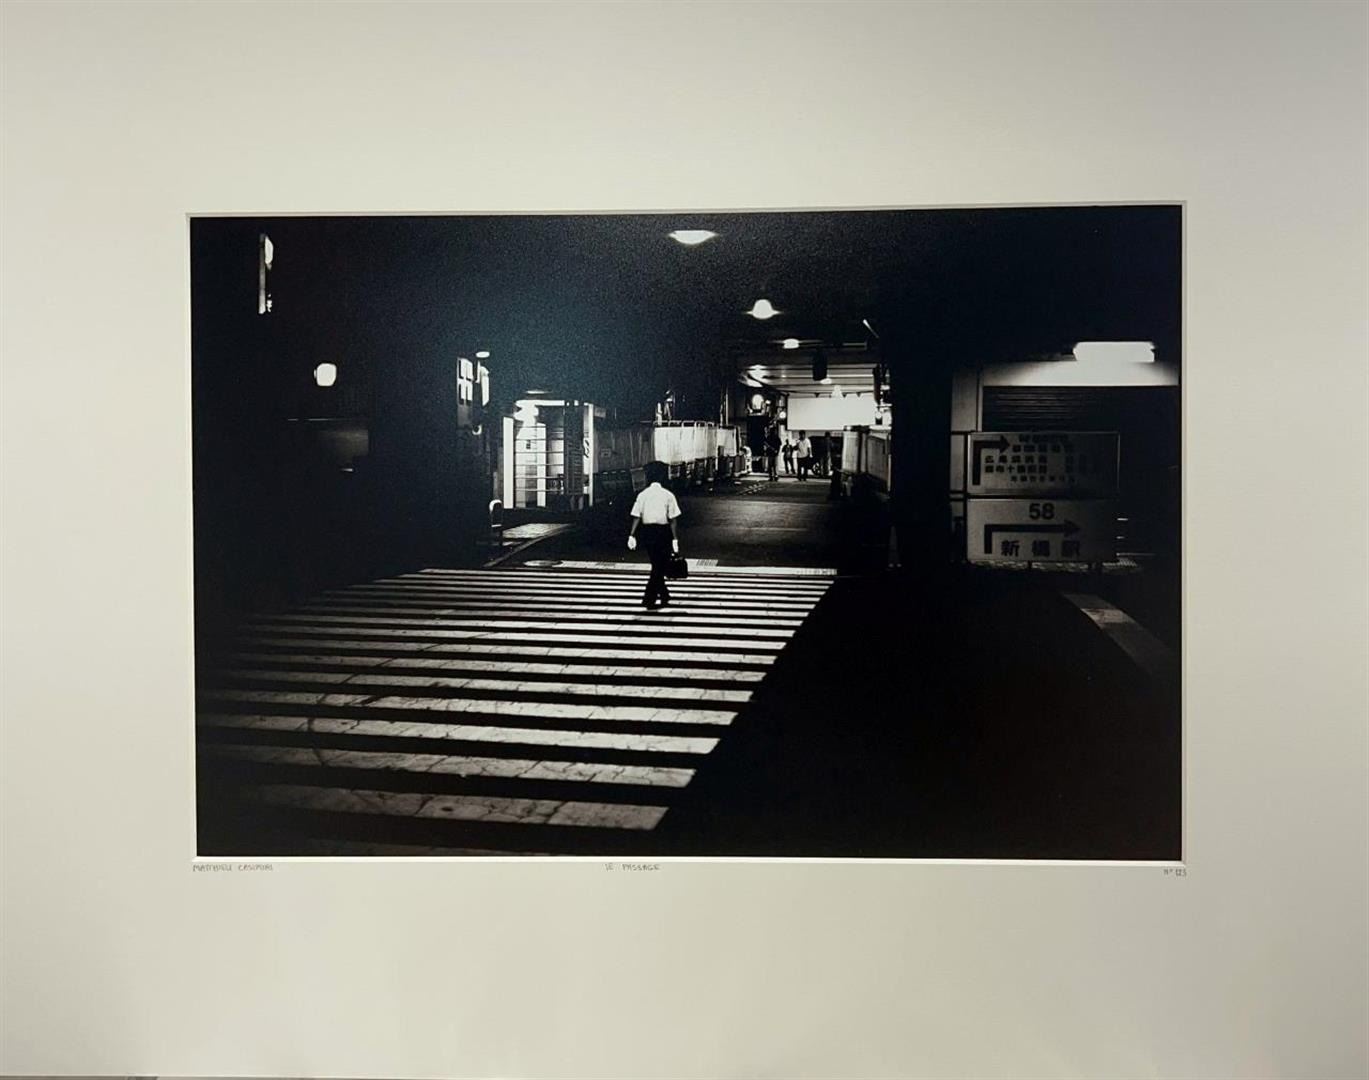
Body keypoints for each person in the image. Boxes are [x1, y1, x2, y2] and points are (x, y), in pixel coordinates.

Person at [627, 460, 682, 609]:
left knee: (656, 564)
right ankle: (649, 598)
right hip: (663, 533)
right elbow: (673, 520)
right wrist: (675, 539)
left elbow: (636, 516)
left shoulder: (642, 495)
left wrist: (632, 535)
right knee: (659, 566)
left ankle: (663, 595)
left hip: (648, 533)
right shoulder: (668, 495)